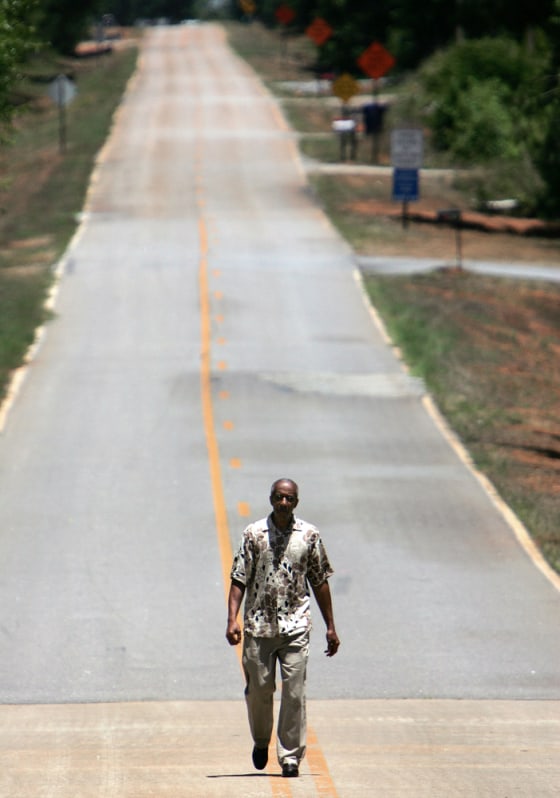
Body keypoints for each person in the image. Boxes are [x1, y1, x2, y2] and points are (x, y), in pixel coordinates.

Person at [226, 478, 340, 778]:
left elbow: (319, 580)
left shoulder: (309, 535)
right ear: (271, 499)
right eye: (278, 497)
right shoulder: (253, 534)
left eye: (289, 498)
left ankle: (290, 756)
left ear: (296, 502)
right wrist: (232, 619)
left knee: (294, 692)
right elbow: (239, 577)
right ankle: (261, 740)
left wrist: (331, 626)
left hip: (296, 626)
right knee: (259, 689)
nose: (283, 503)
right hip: (258, 626)